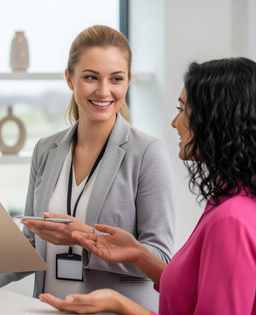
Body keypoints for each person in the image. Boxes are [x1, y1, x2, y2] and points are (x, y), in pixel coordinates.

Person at [0, 25, 175, 311]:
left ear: (128, 81)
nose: (104, 91)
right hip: (48, 307)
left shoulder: (147, 152)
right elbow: (34, 243)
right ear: (69, 79)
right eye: (91, 77)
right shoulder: (46, 149)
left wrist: (82, 238)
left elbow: (162, 261)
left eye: (116, 79)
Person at [39, 57, 256, 314]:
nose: (175, 123)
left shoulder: (230, 220)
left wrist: (119, 303)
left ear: (216, 120)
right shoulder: (227, 203)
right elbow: (190, 290)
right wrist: (137, 253)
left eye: (182, 109)